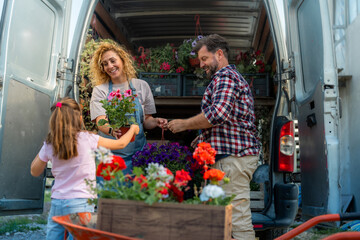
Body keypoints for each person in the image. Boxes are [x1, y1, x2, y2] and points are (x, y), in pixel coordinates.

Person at [168, 34, 260, 240]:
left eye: (204, 59)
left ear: (219, 54)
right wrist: (201, 140)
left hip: (233, 159)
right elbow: (225, 121)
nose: (201, 65)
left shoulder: (225, 77)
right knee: (225, 221)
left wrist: (184, 124)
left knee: (237, 221)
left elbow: (217, 114)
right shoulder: (226, 78)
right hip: (230, 157)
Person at [30, 97, 139, 240]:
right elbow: (120, 144)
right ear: (79, 118)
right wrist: (132, 129)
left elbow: (34, 171)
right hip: (81, 202)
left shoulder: (50, 143)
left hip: (58, 202)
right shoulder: (87, 138)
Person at [89, 41, 167, 174]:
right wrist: (112, 130)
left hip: (137, 156)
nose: (110, 66)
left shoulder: (141, 86)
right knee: (108, 194)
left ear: (123, 60)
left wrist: (156, 121)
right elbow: (100, 121)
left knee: (135, 193)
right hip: (109, 157)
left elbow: (146, 121)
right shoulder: (99, 90)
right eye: (105, 64)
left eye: (113, 61)